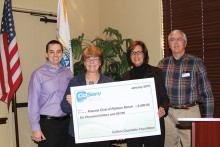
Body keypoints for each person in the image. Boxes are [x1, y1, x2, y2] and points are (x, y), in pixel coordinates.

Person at [158, 30, 214, 147]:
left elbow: (207, 94)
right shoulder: (162, 64)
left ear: (185, 43)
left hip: (189, 113)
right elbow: (158, 90)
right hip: (168, 114)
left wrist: (208, 119)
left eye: (179, 39)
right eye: (172, 40)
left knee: (192, 144)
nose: (176, 42)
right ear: (169, 44)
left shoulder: (196, 63)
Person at [60, 46, 114, 147]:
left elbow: (114, 107)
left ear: (100, 62)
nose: (91, 62)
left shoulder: (108, 82)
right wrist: (73, 105)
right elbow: (64, 107)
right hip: (79, 133)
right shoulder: (75, 81)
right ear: (84, 62)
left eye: (95, 59)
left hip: (102, 133)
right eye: (88, 59)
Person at [122, 41, 170, 147]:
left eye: (139, 52)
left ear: (144, 54)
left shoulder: (156, 72)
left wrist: (163, 108)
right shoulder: (125, 76)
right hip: (133, 124)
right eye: (133, 53)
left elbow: (165, 98)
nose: (136, 55)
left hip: (153, 122)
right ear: (129, 56)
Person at [28, 40, 73, 147]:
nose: (55, 55)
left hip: (66, 123)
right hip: (48, 125)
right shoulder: (38, 74)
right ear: (46, 54)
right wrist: (36, 129)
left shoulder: (68, 73)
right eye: (51, 52)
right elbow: (33, 103)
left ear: (62, 54)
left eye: (58, 52)